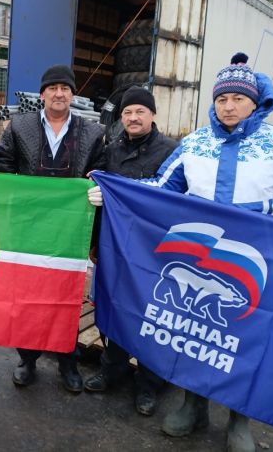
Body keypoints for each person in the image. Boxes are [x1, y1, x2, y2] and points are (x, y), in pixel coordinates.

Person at [87, 53, 273, 452]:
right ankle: (191, 404)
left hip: (255, 263)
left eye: (237, 98)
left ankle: (238, 419)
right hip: (200, 257)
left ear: (254, 101)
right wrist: (111, 191)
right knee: (195, 333)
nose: (228, 106)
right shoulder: (195, 144)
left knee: (243, 340)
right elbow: (162, 187)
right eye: (221, 99)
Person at [0, 64, 105, 393]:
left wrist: (96, 188)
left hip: (70, 230)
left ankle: (67, 361)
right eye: (53, 88)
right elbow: (3, 167)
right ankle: (27, 359)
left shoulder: (93, 133)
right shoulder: (20, 126)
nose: (59, 94)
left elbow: (101, 172)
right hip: (29, 228)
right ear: (42, 94)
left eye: (65, 88)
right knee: (27, 296)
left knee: (66, 297)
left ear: (73, 94)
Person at [84, 86, 177, 416]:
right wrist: (95, 241)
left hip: (153, 252)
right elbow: (100, 196)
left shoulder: (171, 152)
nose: (133, 118)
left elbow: (174, 203)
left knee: (149, 315)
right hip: (114, 245)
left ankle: (148, 384)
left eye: (140, 111)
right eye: (127, 112)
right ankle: (113, 369)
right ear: (121, 117)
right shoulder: (112, 148)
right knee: (114, 310)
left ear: (152, 115)